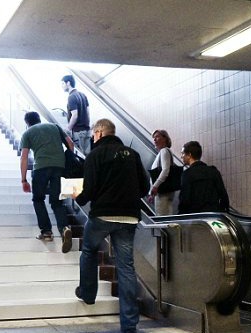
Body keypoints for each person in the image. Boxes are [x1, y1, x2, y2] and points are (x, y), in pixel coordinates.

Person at [73, 118, 150, 333]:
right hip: (128, 218)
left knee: (88, 250)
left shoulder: (95, 155)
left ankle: (88, 294)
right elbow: (144, 187)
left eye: (93, 134)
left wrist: (78, 197)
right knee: (126, 267)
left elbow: (88, 191)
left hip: (103, 216)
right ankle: (129, 324)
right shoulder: (132, 155)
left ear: (98, 132)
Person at [20, 111, 75, 253]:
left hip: (41, 168)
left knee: (38, 199)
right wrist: (67, 161)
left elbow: (24, 157)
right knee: (57, 201)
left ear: (27, 123)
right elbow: (70, 144)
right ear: (39, 119)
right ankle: (64, 228)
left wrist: (24, 179)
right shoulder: (54, 126)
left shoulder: (27, 134)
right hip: (59, 167)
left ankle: (46, 232)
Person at [178, 141, 229, 214]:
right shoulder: (213, 171)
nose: (181, 156)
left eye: (182, 153)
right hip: (214, 214)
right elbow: (223, 195)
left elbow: (184, 199)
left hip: (196, 216)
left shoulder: (187, 174)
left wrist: (181, 215)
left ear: (189, 155)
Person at [61, 75, 91, 155]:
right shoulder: (83, 95)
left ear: (68, 83)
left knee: (80, 156)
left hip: (78, 132)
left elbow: (75, 115)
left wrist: (68, 129)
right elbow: (88, 113)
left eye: (63, 83)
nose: (62, 86)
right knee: (87, 156)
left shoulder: (71, 97)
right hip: (87, 130)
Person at [149, 129, 177, 215]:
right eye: (154, 138)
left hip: (162, 192)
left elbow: (165, 170)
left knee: (162, 220)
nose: (154, 139)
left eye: (157, 137)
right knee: (166, 218)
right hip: (163, 192)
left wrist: (154, 186)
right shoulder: (162, 152)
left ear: (165, 138)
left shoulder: (164, 151)